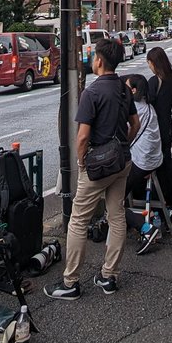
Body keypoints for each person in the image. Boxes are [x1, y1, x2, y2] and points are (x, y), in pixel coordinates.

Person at [46, 38, 139, 299]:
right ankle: (109, 276)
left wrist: (81, 162)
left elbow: (83, 137)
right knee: (116, 215)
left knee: (77, 221)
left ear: (99, 60)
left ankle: (70, 282)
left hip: (97, 166)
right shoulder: (123, 87)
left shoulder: (93, 92)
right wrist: (124, 145)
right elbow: (136, 123)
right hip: (122, 161)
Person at [122, 74, 163, 253]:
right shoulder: (149, 107)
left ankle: (145, 228)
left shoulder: (135, 108)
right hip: (154, 159)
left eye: (126, 87)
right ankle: (154, 215)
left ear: (133, 90)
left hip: (142, 161)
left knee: (113, 200)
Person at [145, 46, 172, 172]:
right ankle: (167, 190)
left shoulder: (154, 81)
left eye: (149, 63)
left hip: (155, 127)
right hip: (167, 125)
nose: (149, 66)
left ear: (154, 63)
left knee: (155, 162)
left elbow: (148, 101)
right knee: (166, 160)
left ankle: (157, 190)